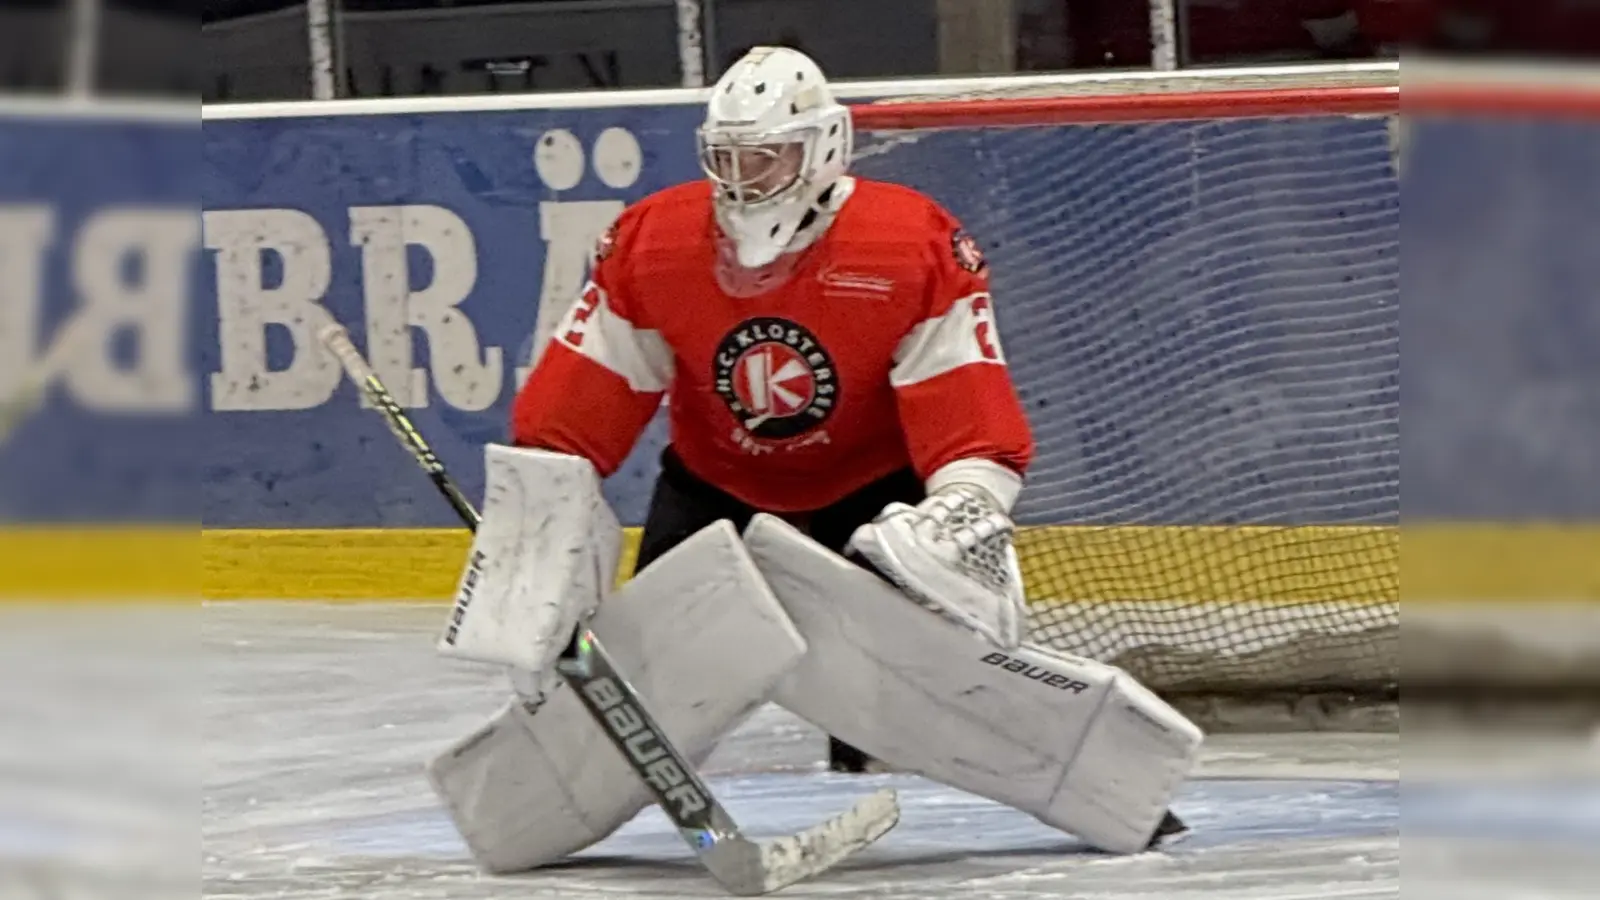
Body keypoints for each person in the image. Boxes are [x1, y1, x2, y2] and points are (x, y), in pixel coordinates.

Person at [510, 45, 1037, 772]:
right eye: (727, 159)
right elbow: (577, 409)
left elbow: (968, 415)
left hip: (870, 496)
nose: (742, 180)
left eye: (766, 157)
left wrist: (962, 511)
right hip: (715, 486)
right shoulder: (655, 244)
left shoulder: (909, 245)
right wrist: (538, 536)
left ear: (825, 148)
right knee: (648, 695)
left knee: (879, 728)